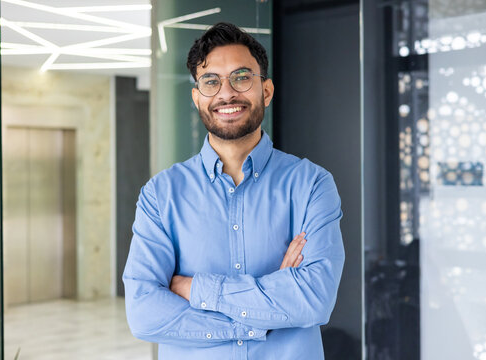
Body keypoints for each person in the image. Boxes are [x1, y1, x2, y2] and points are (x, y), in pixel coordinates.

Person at [123, 22, 345, 360]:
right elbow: (143, 313)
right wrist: (260, 318)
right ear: (197, 97)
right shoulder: (161, 194)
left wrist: (196, 289)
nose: (226, 94)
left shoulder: (311, 184)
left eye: (241, 78)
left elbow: (314, 299)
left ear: (266, 91)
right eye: (211, 82)